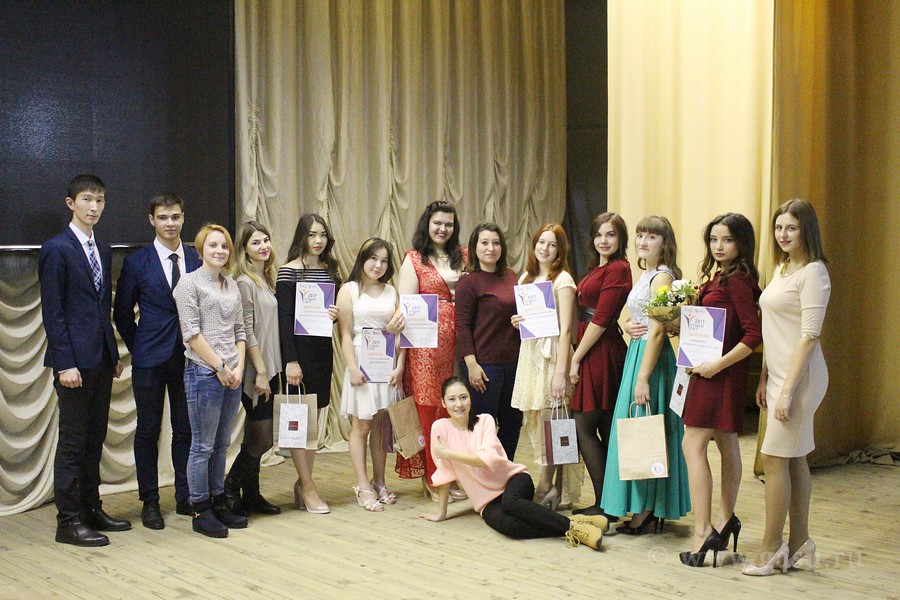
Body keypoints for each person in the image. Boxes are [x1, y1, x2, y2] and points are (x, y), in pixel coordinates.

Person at [39, 174, 129, 546]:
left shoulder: (101, 247)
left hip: (100, 360)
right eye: (87, 199)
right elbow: (53, 311)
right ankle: (68, 520)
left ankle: (92, 508)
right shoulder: (56, 248)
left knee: (95, 439)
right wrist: (65, 364)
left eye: (100, 200)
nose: (94, 207)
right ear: (71, 203)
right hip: (72, 363)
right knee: (73, 442)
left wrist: (112, 354)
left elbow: (101, 307)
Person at [743, 199, 830, 576]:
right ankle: (799, 542)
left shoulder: (814, 273)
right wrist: (764, 376)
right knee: (793, 458)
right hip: (778, 374)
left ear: (806, 230)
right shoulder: (782, 268)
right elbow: (772, 329)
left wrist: (788, 390)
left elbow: (809, 337)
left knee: (775, 458)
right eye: (779, 228)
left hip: (802, 378)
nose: (783, 234)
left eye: (791, 228)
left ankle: (770, 549)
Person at [419, 376, 608, 550]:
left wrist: (450, 454)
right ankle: (579, 523)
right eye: (452, 399)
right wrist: (441, 513)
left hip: (513, 479)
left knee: (511, 503)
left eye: (463, 397)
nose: (459, 404)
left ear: (470, 398)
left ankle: (576, 531)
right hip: (486, 501)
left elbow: (487, 459)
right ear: (443, 402)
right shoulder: (440, 428)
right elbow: (444, 472)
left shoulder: (485, 421)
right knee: (509, 526)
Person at [680, 213, 762, 568]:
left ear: (741, 243)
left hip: (719, 374)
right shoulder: (720, 277)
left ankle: (703, 531)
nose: (718, 246)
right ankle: (725, 519)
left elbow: (753, 334)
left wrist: (718, 365)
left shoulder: (738, 281)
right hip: (710, 371)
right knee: (727, 444)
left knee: (692, 444)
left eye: (727, 239)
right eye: (714, 239)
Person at [114, 192, 200, 530]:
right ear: (152, 220)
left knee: (185, 429)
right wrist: (140, 348)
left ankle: (185, 495)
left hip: (190, 357)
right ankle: (149, 501)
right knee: (148, 430)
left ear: (183, 218)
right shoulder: (137, 261)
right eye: (163, 217)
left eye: (175, 217)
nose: (170, 223)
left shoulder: (195, 257)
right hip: (150, 358)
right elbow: (122, 313)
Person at [601, 215, 691, 533]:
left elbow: (659, 330)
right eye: (640, 235)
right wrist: (628, 324)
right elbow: (642, 318)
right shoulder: (649, 274)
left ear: (665, 243)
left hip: (649, 360)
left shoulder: (662, 277)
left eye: (651, 236)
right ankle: (644, 504)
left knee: (646, 428)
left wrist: (643, 377)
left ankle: (648, 507)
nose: (643, 241)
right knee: (638, 428)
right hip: (638, 353)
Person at [173, 223, 247, 538]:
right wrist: (220, 367)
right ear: (201, 250)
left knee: (222, 444)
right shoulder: (188, 283)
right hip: (204, 373)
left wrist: (238, 368)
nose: (220, 251)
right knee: (202, 445)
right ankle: (200, 509)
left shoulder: (231, 285)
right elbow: (191, 334)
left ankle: (218, 501)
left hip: (232, 375)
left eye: (224, 246)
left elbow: (241, 331)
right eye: (213, 245)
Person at [391, 201, 468, 501]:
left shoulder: (464, 256)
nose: (442, 229)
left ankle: (455, 472)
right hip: (426, 345)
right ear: (427, 224)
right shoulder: (414, 259)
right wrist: (401, 360)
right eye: (437, 223)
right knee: (429, 409)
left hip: (462, 340)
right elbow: (405, 309)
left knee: (456, 407)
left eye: (448, 224)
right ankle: (433, 477)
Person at [509, 224, 582, 510]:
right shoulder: (526, 278)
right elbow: (530, 320)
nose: (545, 248)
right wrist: (519, 322)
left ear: (560, 250)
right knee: (540, 422)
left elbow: (566, 330)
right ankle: (555, 491)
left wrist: (560, 373)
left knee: (555, 424)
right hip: (531, 355)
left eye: (552, 244)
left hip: (553, 357)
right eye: (541, 242)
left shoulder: (563, 280)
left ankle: (545, 485)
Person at [567, 213, 632, 520]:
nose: (603, 241)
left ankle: (606, 503)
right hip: (594, 347)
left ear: (621, 239)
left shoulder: (619, 268)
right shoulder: (600, 266)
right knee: (602, 426)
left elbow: (602, 319)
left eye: (611, 235)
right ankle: (611, 502)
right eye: (598, 235)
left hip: (600, 350)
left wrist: (576, 357)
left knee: (584, 425)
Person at [276, 214, 340, 514]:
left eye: (323, 234)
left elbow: (331, 315)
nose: (318, 240)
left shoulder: (330, 271)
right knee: (299, 422)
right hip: (298, 355)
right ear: (301, 236)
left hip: (322, 353)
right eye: (312, 234)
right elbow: (284, 319)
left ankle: (305, 483)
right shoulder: (288, 272)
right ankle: (308, 486)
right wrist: (291, 360)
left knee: (312, 421)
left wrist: (335, 315)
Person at [337, 238, 405, 511]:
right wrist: (352, 368)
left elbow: (402, 334)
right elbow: (344, 333)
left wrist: (400, 366)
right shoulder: (349, 290)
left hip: (386, 362)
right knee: (362, 425)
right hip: (360, 361)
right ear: (363, 259)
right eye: (373, 258)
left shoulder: (392, 291)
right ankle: (363, 485)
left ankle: (380, 482)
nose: (378, 265)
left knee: (380, 426)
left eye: (384, 260)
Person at [223, 222, 282, 517]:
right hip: (257, 371)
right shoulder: (245, 283)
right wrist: (260, 371)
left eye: (266, 240)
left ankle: (252, 495)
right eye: (256, 242)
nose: (263, 246)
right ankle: (229, 488)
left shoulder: (267, 279)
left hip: (272, 366)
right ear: (244, 249)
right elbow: (246, 331)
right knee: (263, 438)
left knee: (254, 437)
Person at [456, 223, 522, 460]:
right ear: (474, 247)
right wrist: (472, 365)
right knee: (484, 425)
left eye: (495, 243)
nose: (490, 248)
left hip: (513, 362)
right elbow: (462, 326)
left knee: (513, 422)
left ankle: (504, 471)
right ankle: (482, 475)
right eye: (484, 243)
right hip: (484, 365)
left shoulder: (511, 276)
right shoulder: (468, 282)